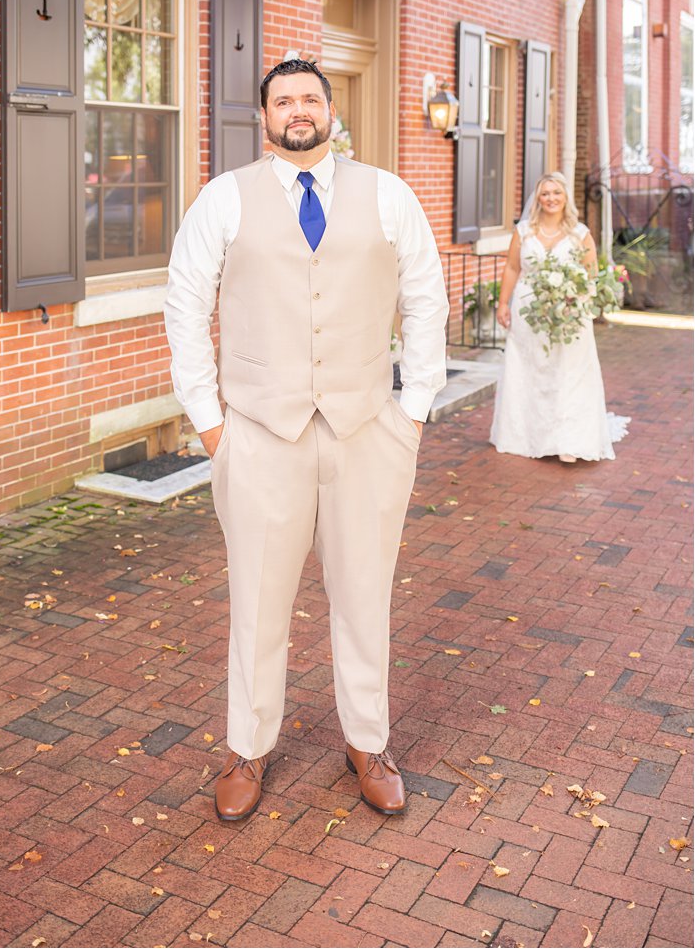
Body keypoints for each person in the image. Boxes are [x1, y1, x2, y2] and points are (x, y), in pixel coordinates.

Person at [163, 59, 448, 821]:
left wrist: (412, 411)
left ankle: (368, 739)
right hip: (258, 434)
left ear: (330, 110)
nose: (298, 109)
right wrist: (212, 424)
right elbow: (185, 305)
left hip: (366, 432)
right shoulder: (224, 199)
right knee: (256, 599)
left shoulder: (388, 194)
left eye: (310, 98)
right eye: (283, 99)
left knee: (364, 592)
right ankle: (247, 748)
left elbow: (426, 297)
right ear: (264, 116)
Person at [489, 171, 628, 461]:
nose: (551, 198)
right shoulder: (523, 231)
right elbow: (513, 268)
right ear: (537, 199)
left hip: (569, 314)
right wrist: (503, 303)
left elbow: (591, 275)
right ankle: (525, 435)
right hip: (528, 313)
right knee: (529, 370)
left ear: (566, 198)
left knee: (568, 373)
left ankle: (569, 441)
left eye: (556, 193)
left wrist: (575, 299)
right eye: (545, 193)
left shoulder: (580, 234)